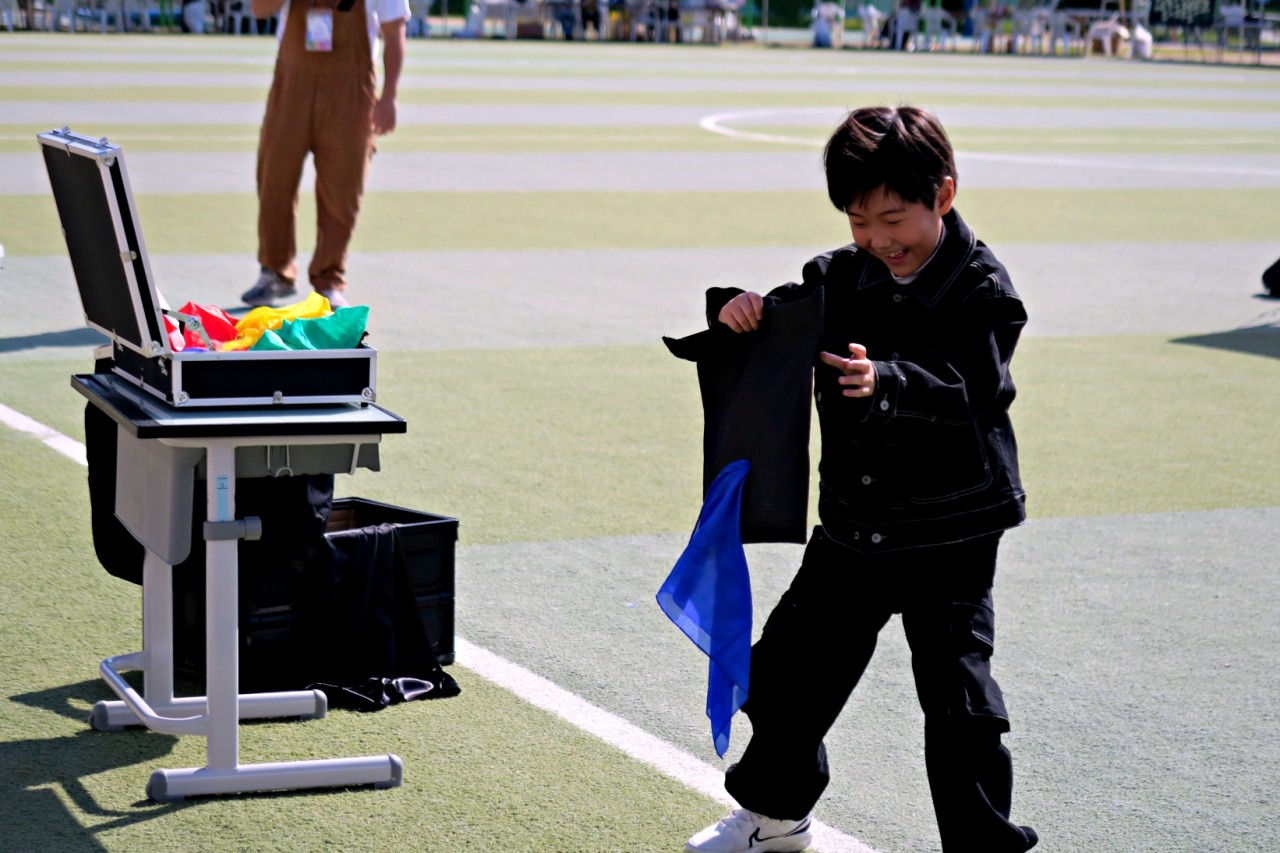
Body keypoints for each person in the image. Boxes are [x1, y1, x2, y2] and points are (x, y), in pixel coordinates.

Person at [685, 106, 1039, 853]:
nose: (879, 239)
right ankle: (778, 816)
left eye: (894, 217)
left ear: (943, 196)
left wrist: (888, 382)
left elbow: (976, 392)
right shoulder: (841, 277)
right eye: (858, 219)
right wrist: (740, 311)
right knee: (783, 674)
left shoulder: (983, 287)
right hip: (854, 527)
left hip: (953, 533)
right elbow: (782, 318)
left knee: (960, 707)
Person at [241, 0, 408, 309]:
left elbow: (395, 29)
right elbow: (260, 10)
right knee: (274, 177)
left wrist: (390, 96)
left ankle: (328, 280)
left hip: (351, 88)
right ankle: (275, 271)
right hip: (292, 81)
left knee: (344, 188)